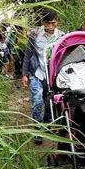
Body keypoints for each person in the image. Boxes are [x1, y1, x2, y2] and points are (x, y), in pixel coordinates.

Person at [21, 9, 64, 144]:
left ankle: (47, 121)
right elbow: (28, 55)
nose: (50, 27)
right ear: (42, 22)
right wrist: (24, 74)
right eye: (47, 23)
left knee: (49, 100)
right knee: (37, 100)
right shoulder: (34, 34)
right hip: (37, 72)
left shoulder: (62, 36)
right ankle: (37, 129)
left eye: (53, 23)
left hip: (53, 74)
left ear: (57, 22)